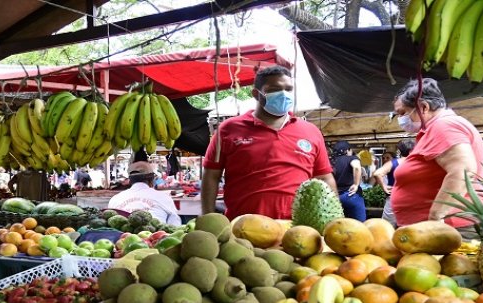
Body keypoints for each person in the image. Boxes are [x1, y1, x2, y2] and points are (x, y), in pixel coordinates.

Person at [201, 65, 336, 219]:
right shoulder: (229, 129)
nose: (284, 94)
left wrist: (333, 222)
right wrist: (207, 216)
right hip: (242, 229)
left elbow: (324, 178)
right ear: (255, 94)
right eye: (274, 89)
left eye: (288, 89)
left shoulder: (310, 131)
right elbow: (211, 175)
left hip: (298, 229)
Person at [390, 78, 483, 232]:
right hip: (438, 227)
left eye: (403, 113)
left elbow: (464, 171)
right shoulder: (437, 127)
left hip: (449, 227)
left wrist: (435, 217)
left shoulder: (443, 126)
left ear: (423, 107)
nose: (401, 119)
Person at [108, 161, 182, 225]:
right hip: (155, 239)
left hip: (122, 240)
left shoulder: (115, 199)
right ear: (151, 179)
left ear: (129, 180)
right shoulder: (164, 198)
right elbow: (174, 226)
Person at [374, 141, 415, 226]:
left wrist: (384, 187)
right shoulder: (416, 162)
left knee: (387, 227)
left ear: (400, 151)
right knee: (408, 228)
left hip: (394, 198)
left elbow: (377, 173)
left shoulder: (393, 163)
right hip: (411, 199)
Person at [332, 141, 366, 221]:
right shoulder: (352, 158)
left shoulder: (331, 161)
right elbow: (357, 167)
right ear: (347, 150)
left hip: (335, 198)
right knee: (359, 226)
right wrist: (356, 184)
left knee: (339, 226)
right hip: (351, 195)